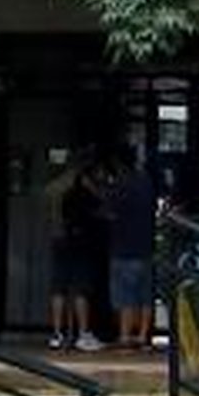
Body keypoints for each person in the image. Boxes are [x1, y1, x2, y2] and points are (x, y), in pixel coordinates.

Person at [105, 142, 161, 353]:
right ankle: (143, 335)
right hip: (146, 246)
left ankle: (125, 336)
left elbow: (109, 212)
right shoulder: (146, 182)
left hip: (123, 249)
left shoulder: (120, 184)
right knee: (145, 295)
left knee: (125, 296)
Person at [51, 157, 109, 353]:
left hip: (61, 241)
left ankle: (57, 333)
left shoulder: (64, 193)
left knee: (59, 288)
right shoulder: (88, 196)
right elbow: (103, 211)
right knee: (81, 290)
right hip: (81, 246)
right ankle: (83, 333)